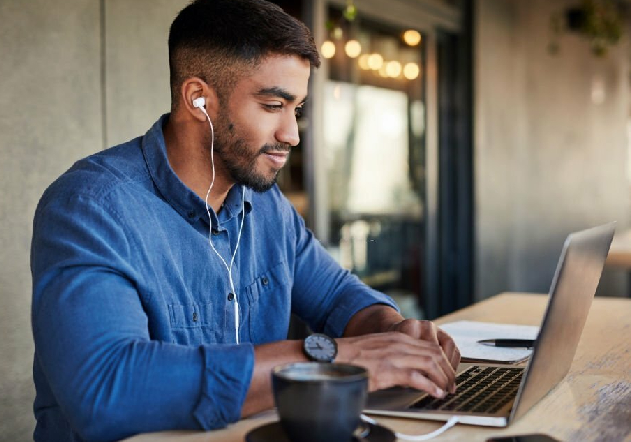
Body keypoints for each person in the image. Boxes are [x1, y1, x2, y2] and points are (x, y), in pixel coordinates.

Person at [30, 1, 460, 441]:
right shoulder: (92, 207)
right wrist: (326, 357)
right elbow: (107, 390)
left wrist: (395, 337)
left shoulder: (265, 203)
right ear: (198, 98)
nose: (291, 134)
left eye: (297, 109)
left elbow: (336, 296)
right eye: (273, 104)